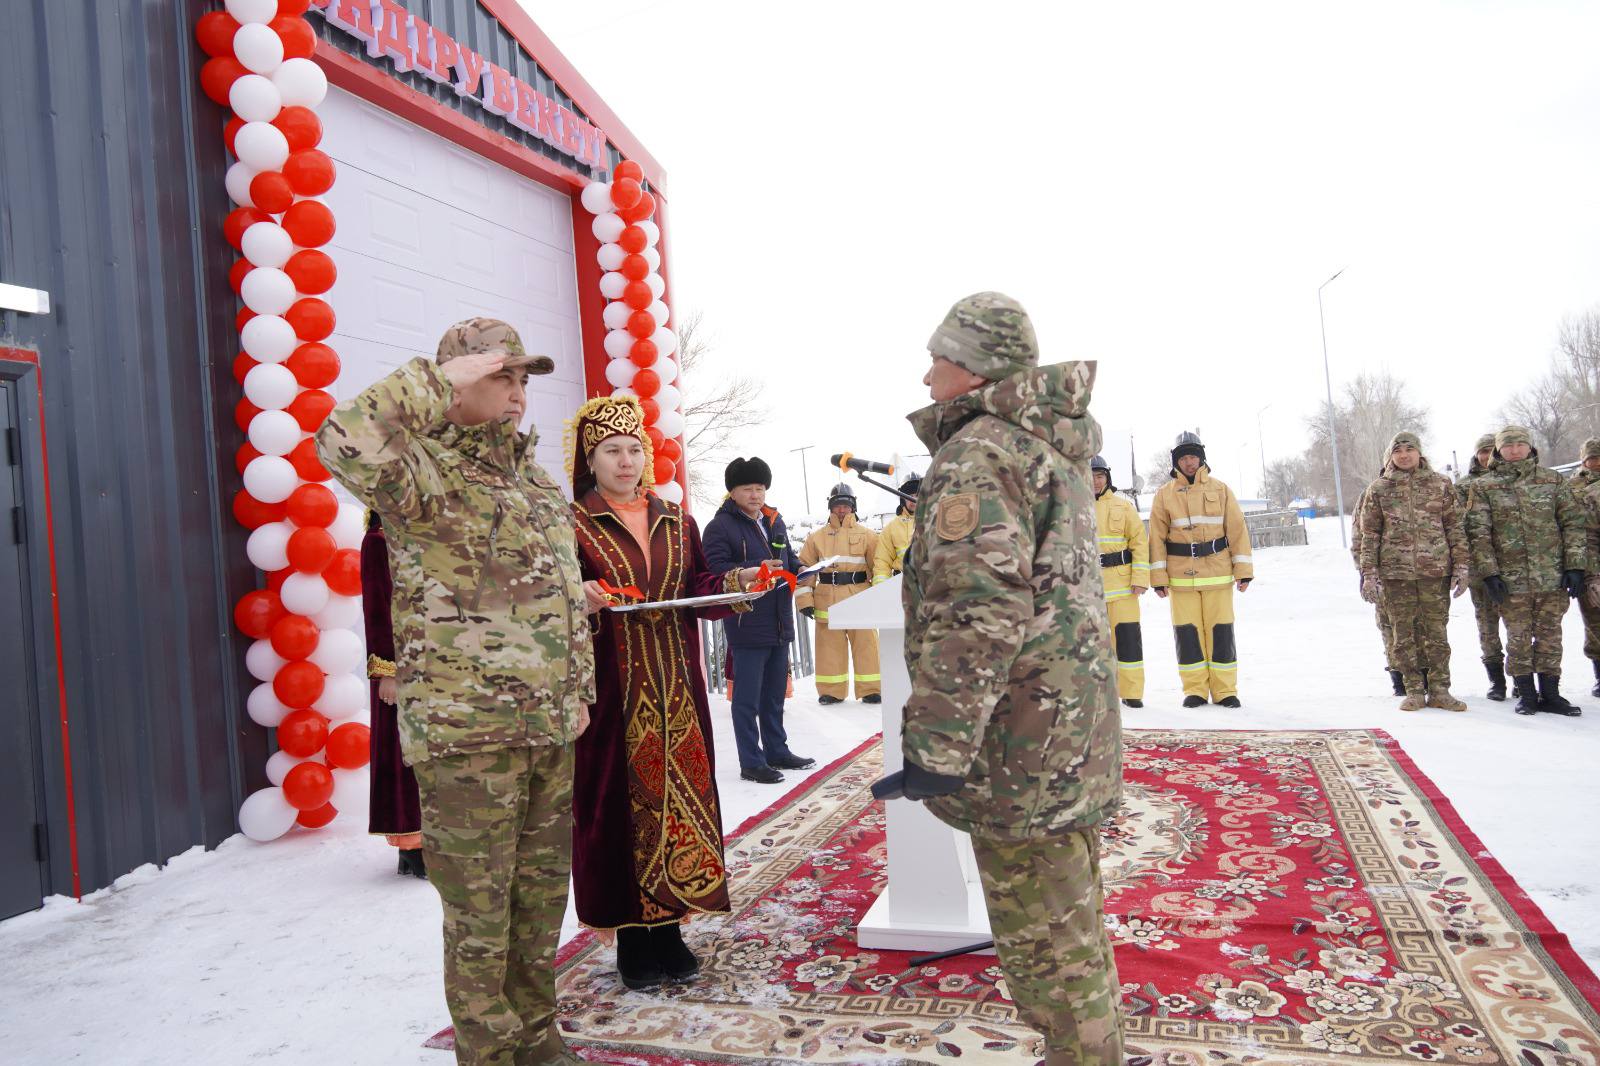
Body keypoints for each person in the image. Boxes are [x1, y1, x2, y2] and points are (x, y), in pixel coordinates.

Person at [315, 317, 594, 1065]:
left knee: (537, 914)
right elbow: (339, 438)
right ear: (459, 382)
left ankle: (541, 1044)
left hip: (547, 727)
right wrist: (441, 381)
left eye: (523, 380)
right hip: (469, 738)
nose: (516, 394)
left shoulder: (532, 481)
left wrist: (580, 688)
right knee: (480, 922)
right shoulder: (419, 474)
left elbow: (557, 593)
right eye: (500, 377)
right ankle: (492, 1055)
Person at [899, 292, 1123, 1066]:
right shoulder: (1049, 443)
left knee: (1049, 955)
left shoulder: (980, 451)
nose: (926, 375)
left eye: (938, 357)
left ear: (973, 365)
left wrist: (935, 748)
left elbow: (978, 610)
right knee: (1073, 924)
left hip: (1022, 743)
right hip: (1067, 725)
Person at [566, 397, 762, 991]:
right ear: (589, 459)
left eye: (634, 450)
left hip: (676, 683)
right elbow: (547, 595)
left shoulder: (675, 518)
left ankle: (671, 925)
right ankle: (631, 934)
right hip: (611, 691)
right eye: (611, 452)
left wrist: (737, 582)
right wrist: (582, 594)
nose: (625, 462)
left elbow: (699, 587)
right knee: (619, 807)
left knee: (682, 799)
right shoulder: (569, 522)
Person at [702, 456, 816, 785]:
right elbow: (715, 571)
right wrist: (754, 568)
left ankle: (777, 751)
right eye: (748, 488)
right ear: (732, 492)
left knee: (773, 695)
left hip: (780, 618)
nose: (756, 495)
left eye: (761, 488)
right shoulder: (720, 527)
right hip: (747, 622)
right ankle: (751, 761)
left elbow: (788, 561)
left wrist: (804, 573)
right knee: (747, 699)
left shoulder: (774, 520)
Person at [1462, 425, 1587, 717]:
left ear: (1530, 447)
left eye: (1520, 444)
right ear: (1498, 450)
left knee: (1550, 635)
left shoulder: (1553, 481)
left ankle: (1552, 694)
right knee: (1517, 636)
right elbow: (1478, 533)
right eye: (1508, 445)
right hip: (1510, 579)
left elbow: (1572, 524)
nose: (1515, 449)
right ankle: (1527, 694)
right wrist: (1490, 573)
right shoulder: (1484, 487)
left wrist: (1576, 565)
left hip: (1551, 575)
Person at [1355, 432, 1469, 712]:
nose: (1404, 455)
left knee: (1436, 634)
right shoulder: (1379, 489)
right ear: (1391, 455)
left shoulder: (1440, 485)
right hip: (1396, 574)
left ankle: (1441, 690)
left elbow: (1455, 527)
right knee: (1402, 635)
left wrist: (1462, 566)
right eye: (1398, 450)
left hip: (1435, 572)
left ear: (1419, 453)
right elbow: (1369, 535)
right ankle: (1414, 690)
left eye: (1409, 449)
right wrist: (1369, 573)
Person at [1148, 431, 1254, 708]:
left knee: (1221, 633)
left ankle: (1225, 691)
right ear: (1176, 462)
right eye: (1183, 458)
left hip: (1218, 574)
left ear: (1202, 458)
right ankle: (1194, 690)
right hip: (1180, 578)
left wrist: (1243, 570)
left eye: (1193, 456)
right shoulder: (1163, 495)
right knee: (1188, 635)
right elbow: (1156, 538)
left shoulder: (1221, 490)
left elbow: (1238, 531)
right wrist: (1158, 578)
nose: (1189, 462)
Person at [361, 509, 424, 878]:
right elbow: (378, 607)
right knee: (404, 751)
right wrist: (389, 669)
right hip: (401, 667)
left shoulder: (425, 533)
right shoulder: (378, 541)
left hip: (436, 664)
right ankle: (413, 846)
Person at [794, 483, 882, 704]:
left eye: (845, 505)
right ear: (830, 508)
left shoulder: (869, 536)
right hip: (827, 599)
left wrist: (879, 599)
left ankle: (872, 689)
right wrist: (804, 599)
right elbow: (804, 570)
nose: (841, 510)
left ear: (853, 507)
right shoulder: (815, 538)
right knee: (828, 647)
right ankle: (831, 691)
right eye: (837, 506)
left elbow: (878, 567)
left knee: (867, 646)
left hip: (860, 597)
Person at [1092, 454, 1149, 708]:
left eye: (1099, 476)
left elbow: (1139, 544)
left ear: (1108, 478)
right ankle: (1098, 694)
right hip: (1089, 590)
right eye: (1090, 476)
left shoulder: (1123, 506)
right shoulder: (1072, 506)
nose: (1095, 481)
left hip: (1124, 587)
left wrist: (1140, 578)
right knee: (1093, 645)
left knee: (1128, 641)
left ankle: (1132, 692)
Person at [1459, 433, 1508, 700]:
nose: (1487, 456)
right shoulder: (1464, 486)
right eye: (1483, 451)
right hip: (1481, 571)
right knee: (1488, 625)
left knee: (1520, 626)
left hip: (1516, 568)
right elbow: (1458, 527)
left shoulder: (1510, 482)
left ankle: (1524, 678)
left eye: (1492, 451)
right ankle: (1496, 681)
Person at [1351, 479, 1403, 696]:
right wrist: (1364, 571)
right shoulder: (1373, 492)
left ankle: (1425, 679)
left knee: (1423, 630)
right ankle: (1399, 680)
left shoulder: (1429, 486)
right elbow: (1359, 535)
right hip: (1384, 574)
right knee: (1389, 627)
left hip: (1424, 574)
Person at [1568, 438, 1600, 696]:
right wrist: (1590, 573)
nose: (1598, 463)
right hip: (1591, 566)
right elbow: (1581, 535)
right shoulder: (1574, 488)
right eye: (1593, 458)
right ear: (1583, 460)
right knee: (1595, 623)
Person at [872, 476, 922, 584]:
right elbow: (882, 562)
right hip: (901, 587)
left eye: (917, 495)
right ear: (902, 499)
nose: (913, 500)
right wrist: (882, 590)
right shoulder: (891, 528)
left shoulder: (935, 523)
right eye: (909, 496)